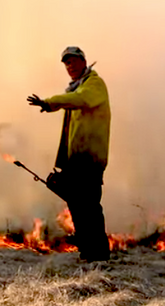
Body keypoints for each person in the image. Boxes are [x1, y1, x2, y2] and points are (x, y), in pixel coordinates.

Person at [27, 46, 111, 262]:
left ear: (84, 62)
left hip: (90, 158)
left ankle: (99, 256)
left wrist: (51, 102)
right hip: (75, 159)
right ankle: (87, 253)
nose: (69, 66)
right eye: (66, 63)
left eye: (73, 61)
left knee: (89, 206)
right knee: (77, 205)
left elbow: (81, 100)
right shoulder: (74, 90)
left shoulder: (94, 84)